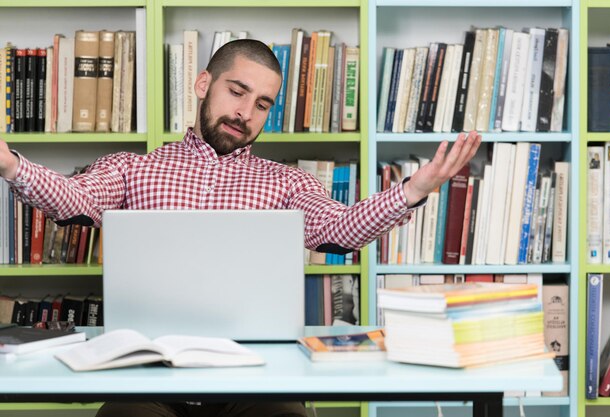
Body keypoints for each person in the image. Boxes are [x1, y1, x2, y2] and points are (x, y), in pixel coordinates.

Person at [0, 39, 481, 417]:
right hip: (149, 379)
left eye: (263, 104)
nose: (245, 113)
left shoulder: (288, 183)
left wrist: (413, 190)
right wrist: (9, 164)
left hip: (257, 379)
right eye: (237, 91)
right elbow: (74, 199)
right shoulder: (132, 169)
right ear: (203, 83)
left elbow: (341, 228)